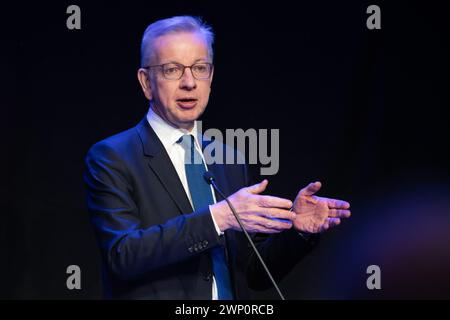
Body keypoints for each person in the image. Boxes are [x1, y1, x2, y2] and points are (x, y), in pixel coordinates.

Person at [84, 15, 351, 300]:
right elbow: (123, 255)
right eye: (173, 69)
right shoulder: (112, 157)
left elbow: (253, 271)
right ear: (146, 82)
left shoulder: (228, 159)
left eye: (200, 68)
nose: (189, 83)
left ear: (210, 77)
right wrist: (218, 218)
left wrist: (297, 232)